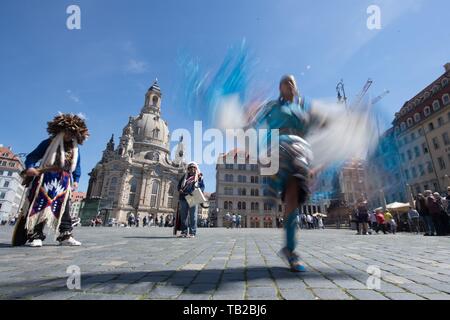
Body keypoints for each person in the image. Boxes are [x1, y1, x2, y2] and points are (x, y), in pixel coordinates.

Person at [21, 113, 88, 247]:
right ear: (61, 131)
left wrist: (76, 180)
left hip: (64, 180)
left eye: (73, 133)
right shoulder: (48, 142)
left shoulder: (75, 149)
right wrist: (29, 167)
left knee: (65, 208)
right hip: (46, 177)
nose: (70, 136)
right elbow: (32, 156)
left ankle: (65, 235)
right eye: (68, 132)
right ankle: (36, 235)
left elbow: (77, 166)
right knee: (41, 205)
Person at [177, 162, 205, 238]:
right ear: (188, 169)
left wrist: (197, 190)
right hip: (183, 197)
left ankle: (192, 232)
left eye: (193, 167)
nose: (192, 169)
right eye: (190, 168)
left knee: (193, 216)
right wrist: (180, 190)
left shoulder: (199, 177)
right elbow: (179, 186)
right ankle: (184, 232)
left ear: (196, 169)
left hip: (192, 197)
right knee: (184, 216)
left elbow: (202, 187)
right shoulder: (184, 177)